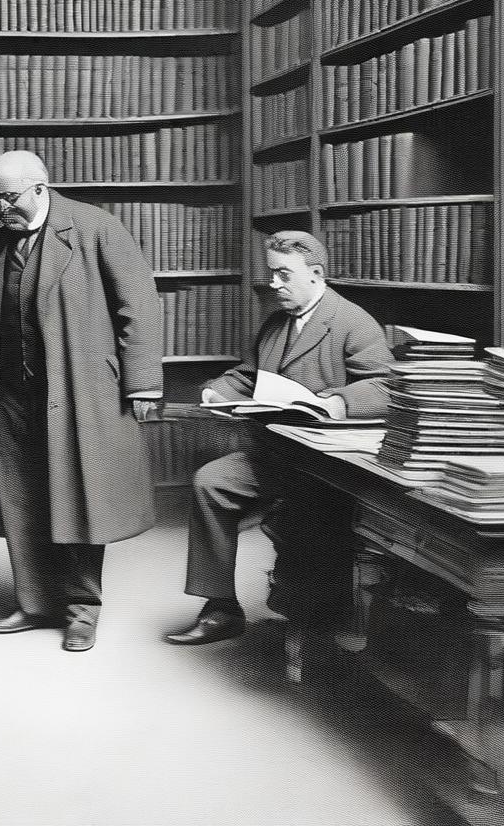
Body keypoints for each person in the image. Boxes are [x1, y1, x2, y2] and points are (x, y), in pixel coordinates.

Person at [0, 151, 164, 652]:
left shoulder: (94, 229)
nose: (2, 207)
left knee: (78, 494)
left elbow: (138, 304)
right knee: (20, 495)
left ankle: (81, 609)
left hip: (78, 386)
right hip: (12, 390)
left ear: (39, 187)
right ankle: (34, 603)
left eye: (9, 197)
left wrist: (141, 382)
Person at [165, 229, 394, 645]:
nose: (275, 284)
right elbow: (247, 375)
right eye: (272, 274)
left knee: (309, 522)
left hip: (329, 466)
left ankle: (311, 616)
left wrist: (338, 402)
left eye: (284, 275)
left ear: (316, 273)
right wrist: (217, 391)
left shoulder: (352, 321)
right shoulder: (275, 324)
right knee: (210, 482)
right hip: (277, 454)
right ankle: (220, 607)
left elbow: (384, 386)